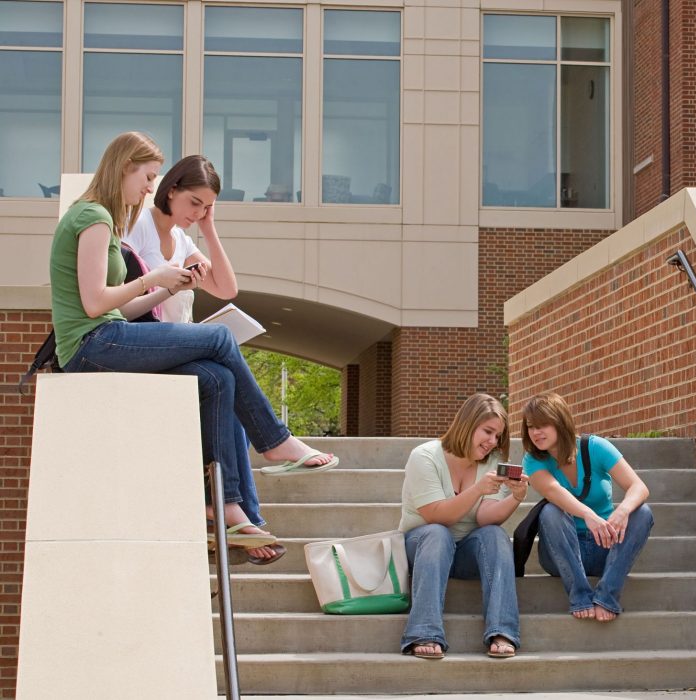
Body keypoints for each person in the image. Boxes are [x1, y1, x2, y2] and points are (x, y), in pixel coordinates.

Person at [48, 131, 338, 552]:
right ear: (124, 167)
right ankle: (275, 442)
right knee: (220, 337)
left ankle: (225, 506)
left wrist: (164, 288)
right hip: (91, 346)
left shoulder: (102, 218)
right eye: (147, 177)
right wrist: (153, 278)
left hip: (106, 337)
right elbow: (94, 305)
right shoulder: (94, 218)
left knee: (216, 378)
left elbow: (116, 310)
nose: (150, 188)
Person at [125, 154, 278, 564]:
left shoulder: (184, 238)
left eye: (207, 207)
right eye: (195, 203)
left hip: (179, 346)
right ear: (169, 190)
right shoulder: (138, 228)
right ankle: (271, 451)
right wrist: (171, 283)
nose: (199, 212)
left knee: (223, 382)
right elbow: (126, 297)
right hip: (149, 342)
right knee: (221, 364)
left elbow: (227, 288)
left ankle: (237, 514)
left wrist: (208, 229)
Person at [399, 393, 525, 660]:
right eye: (487, 432)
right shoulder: (425, 456)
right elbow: (436, 515)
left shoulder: (490, 462)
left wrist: (516, 497)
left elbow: (485, 518)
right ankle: (423, 631)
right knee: (437, 534)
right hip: (422, 547)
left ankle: (502, 630)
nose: (492, 442)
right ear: (468, 424)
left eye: (498, 437)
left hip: (466, 552)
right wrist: (478, 489)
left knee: (495, 535)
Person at [521, 392, 653, 622]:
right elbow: (553, 491)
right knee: (550, 511)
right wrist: (587, 515)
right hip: (561, 553)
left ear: (560, 422)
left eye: (543, 425)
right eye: (531, 426)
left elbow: (638, 487)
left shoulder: (595, 447)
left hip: (605, 544)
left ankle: (607, 597)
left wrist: (621, 511)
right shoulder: (533, 460)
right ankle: (580, 596)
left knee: (642, 512)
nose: (535, 432)